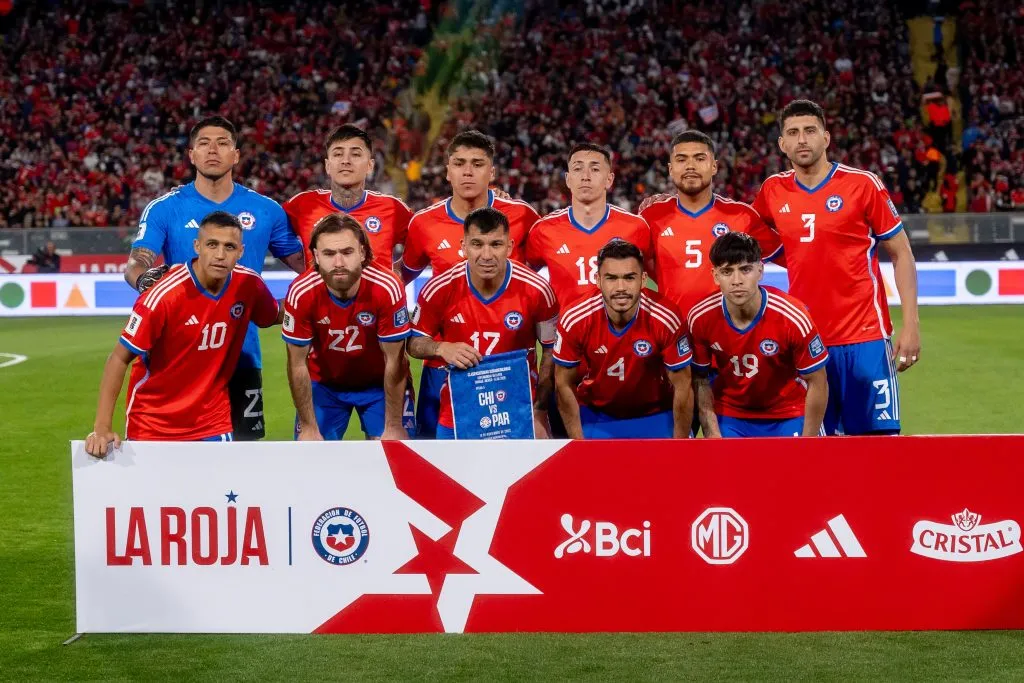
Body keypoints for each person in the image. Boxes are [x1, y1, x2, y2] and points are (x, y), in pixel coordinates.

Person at [124, 116, 306, 441]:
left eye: (222, 143)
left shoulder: (266, 210)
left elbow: (306, 268)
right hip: (177, 357)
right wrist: (143, 279)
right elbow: (138, 262)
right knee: (171, 459)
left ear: (236, 155)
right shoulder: (165, 209)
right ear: (191, 155)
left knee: (245, 457)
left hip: (241, 354)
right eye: (204, 144)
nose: (213, 150)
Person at [752, 100, 920, 435]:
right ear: (782, 144)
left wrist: (911, 325)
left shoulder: (862, 185)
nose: (802, 140)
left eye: (810, 131)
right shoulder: (773, 190)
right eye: (793, 133)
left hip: (866, 337)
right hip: (807, 342)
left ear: (826, 138)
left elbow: (902, 253)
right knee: (816, 454)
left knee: (878, 449)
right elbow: (743, 232)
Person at [85, 212, 280, 456]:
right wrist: (102, 427)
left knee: (217, 494)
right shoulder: (164, 295)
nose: (220, 255)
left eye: (229, 247)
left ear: (240, 251)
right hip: (153, 422)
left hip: (213, 421)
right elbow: (118, 358)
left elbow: (275, 315)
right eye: (212, 244)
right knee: (156, 496)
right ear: (197, 246)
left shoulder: (249, 285)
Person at [399, 130, 541, 438]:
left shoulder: (523, 216)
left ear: (491, 172)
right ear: (447, 170)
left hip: (510, 368)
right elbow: (401, 278)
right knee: (440, 463)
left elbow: (551, 267)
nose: (467, 171)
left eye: (477, 164)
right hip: (444, 367)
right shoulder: (424, 223)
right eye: (459, 163)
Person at [407, 207, 558, 440]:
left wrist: (539, 412)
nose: (486, 255)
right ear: (463, 246)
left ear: (509, 247)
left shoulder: (537, 289)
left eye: (496, 245)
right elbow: (413, 343)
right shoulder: (439, 288)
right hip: (458, 411)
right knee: (449, 476)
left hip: (519, 411)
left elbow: (550, 351)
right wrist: (441, 348)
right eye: (477, 244)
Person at [282, 214, 412, 441]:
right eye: (329, 254)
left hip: (379, 385)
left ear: (362, 253)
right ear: (316, 257)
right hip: (324, 386)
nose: (339, 262)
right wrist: (308, 426)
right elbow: (296, 363)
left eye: (347, 252)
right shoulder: (301, 292)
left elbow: (396, 361)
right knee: (312, 461)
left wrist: (393, 424)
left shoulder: (386, 287)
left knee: (394, 457)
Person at [688, 232, 829, 438]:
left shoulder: (792, 316)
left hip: (788, 413)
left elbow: (818, 381)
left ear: (760, 270)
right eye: (727, 271)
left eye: (745, 270)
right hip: (732, 416)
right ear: (715, 275)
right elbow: (700, 379)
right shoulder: (700, 317)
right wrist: (712, 433)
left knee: (802, 470)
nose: (737, 280)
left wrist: (808, 442)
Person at [553, 239, 693, 439]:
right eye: (611, 278)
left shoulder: (666, 317)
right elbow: (563, 384)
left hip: (656, 414)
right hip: (596, 415)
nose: (621, 287)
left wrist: (680, 444)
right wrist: (579, 443)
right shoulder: (575, 319)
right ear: (598, 279)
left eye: (629, 278)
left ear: (643, 280)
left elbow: (683, 385)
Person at [640, 130, 782, 318]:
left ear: (714, 166)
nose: (690, 166)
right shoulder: (651, 216)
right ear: (670, 169)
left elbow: (791, 259)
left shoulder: (741, 215)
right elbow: (634, 269)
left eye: (699, 158)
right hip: (673, 333)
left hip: (727, 334)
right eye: (681, 160)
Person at [526, 143, 653, 309]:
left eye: (595, 169)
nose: (585, 176)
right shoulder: (543, 230)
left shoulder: (635, 227)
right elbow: (527, 280)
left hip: (621, 333)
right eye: (578, 169)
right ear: (568, 179)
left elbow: (658, 281)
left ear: (609, 179)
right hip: (566, 333)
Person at [283, 124, 413, 271]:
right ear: (327, 165)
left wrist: (395, 279)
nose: (346, 161)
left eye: (356, 154)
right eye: (338, 154)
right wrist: (309, 275)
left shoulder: (393, 208)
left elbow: (425, 244)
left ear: (370, 165)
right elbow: (273, 234)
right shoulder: (303, 205)